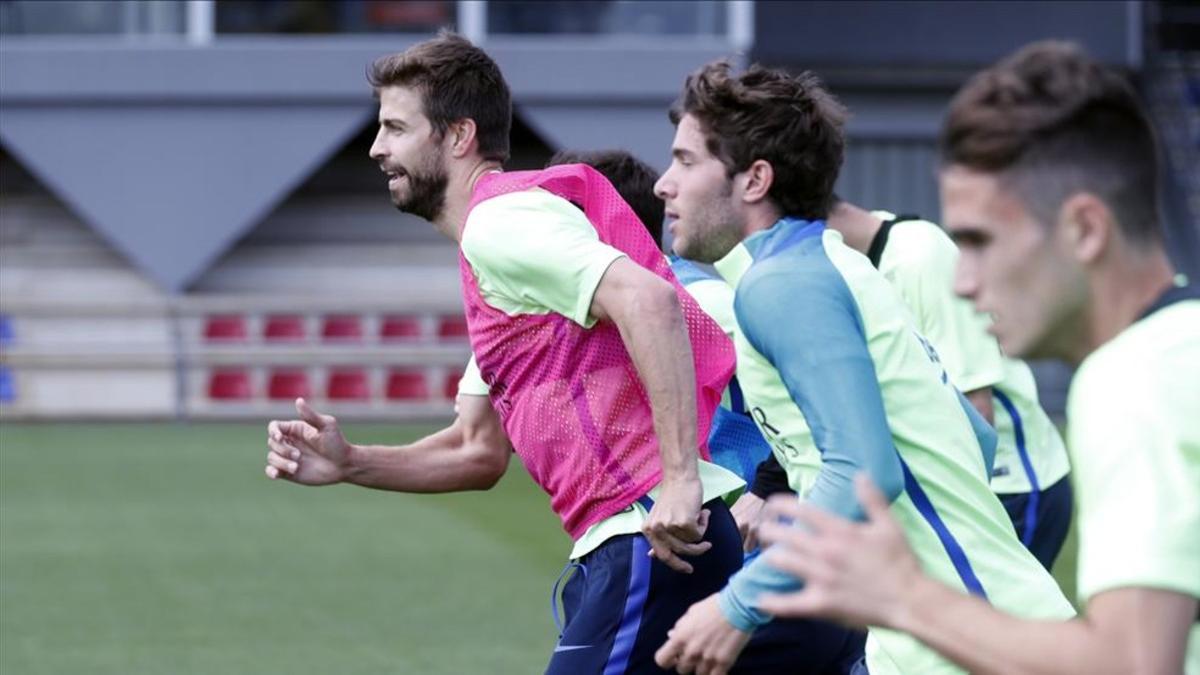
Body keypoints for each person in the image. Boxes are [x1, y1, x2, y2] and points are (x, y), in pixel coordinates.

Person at [264, 32, 749, 674]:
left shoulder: (500, 225)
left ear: (458, 136)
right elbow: (478, 450)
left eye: (396, 128)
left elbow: (651, 301)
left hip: (648, 536)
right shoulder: (500, 246)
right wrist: (352, 462)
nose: (377, 148)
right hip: (648, 539)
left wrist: (680, 481)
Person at [757, 41, 1199, 675]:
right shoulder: (1183, 346)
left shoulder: (1129, 384)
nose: (963, 281)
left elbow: (1129, 664)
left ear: (1085, 229)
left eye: (980, 242)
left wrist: (902, 595)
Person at [647, 60, 1075, 675]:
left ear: (754, 179)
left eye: (687, 161)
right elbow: (974, 438)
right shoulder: (830, 265)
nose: (665, 184)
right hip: (950, 629)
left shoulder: (781, 285)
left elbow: (864, 471)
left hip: (964, 643)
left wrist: (737, 605)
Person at [547, 149, 866, 672]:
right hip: (708, 571)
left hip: (763, 576)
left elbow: (828, 404)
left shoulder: (706, 305)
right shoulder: (584, 317)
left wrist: (770, 486)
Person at [741, 199, 1074, 570]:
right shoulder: (842, 272)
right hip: (948, 485)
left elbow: (977, 410)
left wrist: (958, 517)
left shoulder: (919, 256)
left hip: (1011, 485)